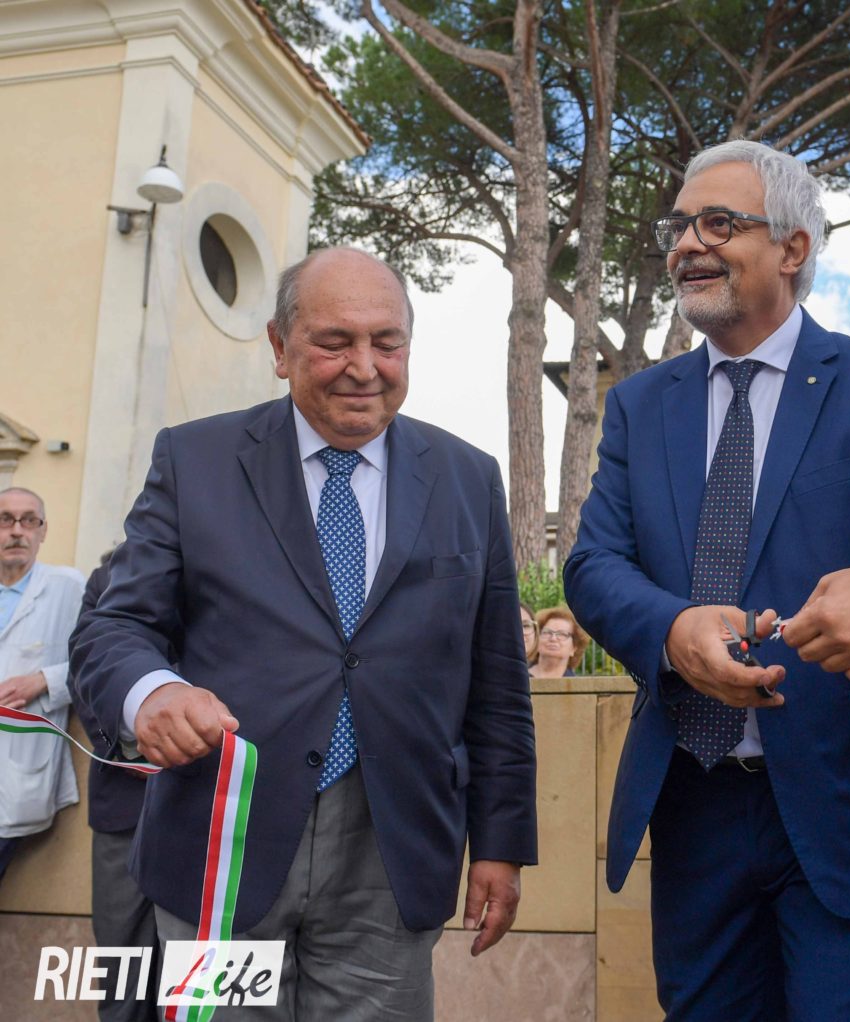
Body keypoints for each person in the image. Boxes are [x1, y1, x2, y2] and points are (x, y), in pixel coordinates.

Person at [70, 247, 538, 1020]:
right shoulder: (195, 459)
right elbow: (115, 625)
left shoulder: (468, 478)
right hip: (223, 848)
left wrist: (501, 842)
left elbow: (497, 685)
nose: (365, 367)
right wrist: (151, 694)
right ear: (280, 348)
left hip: (393, 854)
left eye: (387, 343)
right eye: (334, 342)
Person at [565, 139, 850, 1020]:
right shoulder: (639, 404)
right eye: (679, 226)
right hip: (694, 802)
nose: (687, 243)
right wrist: (673, 630)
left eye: (718, 223)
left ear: (793, 248)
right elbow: (594, 564)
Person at [68, 547, 159, 1021]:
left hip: (214, 813)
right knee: (122, 966)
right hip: (124, 806)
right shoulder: (108, 578)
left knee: (205, 982)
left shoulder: (241, 567)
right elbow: (84, 671)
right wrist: (133, 747)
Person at [0, 486, 84, 885]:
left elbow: (96, 663)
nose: (17, 530)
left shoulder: (69, 587)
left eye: (29, 520)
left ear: (43, 530)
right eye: (6, 520)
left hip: (22, 770)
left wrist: (44, 680)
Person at [529, 606, 588, 678]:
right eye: (547, 632)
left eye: (562, 634)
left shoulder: (577, 684)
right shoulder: (519, 675)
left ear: (574, 648)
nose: (553, 639)